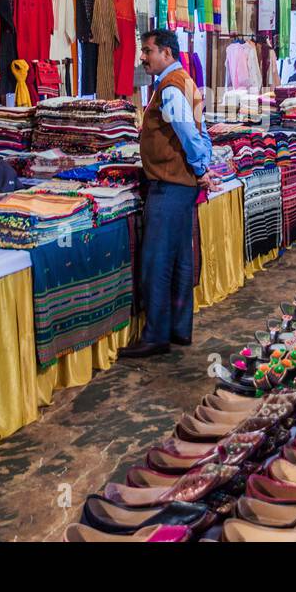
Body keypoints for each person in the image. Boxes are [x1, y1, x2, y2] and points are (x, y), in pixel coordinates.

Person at [120, 29, 219, 359]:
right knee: (179, 259)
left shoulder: (170, 87)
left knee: (157, 261)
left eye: (147, 51)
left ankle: (156, 335)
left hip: (170, 185)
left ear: (165, 51)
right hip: (181, 184)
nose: (143, 57)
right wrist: (201, 166)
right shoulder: (183, 81)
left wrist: (201, 168)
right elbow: (201, 133)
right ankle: (178, 329)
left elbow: (188, 133)